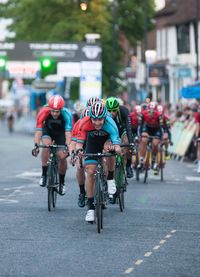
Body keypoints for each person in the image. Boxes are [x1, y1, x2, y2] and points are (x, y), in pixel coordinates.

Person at [76, 101, 121, 222]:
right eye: (94, 119)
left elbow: (117, 144)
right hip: (92, 142)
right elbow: (79, 143)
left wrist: (116, 150)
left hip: (107, 140)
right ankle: (90, 208)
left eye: (100, 120)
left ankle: (110, 179)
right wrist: (79, 150)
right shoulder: (85, 122)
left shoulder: (110, 122)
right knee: (90, 172)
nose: (96, 123)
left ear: (104, 117)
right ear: (90, 117)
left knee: (110, 151)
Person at [32, 95, 72, 195]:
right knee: (46, 146)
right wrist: (36, 146)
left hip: (61, 134)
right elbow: (38, 131)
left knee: (62, 156)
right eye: (52, 111)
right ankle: (44, 175)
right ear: (49, 108)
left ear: (61, 109)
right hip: (48, 132)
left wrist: (68, 146)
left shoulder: (66, 114)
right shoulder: (43, 112)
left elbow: (68, 133)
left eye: (57, 111)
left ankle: (62, 183)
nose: (54, 113)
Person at [106, 97, 133, 178]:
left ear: (118, 108)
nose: (111, 113)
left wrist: (131, 143)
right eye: (109, 110)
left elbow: (128, 128)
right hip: (111, 132)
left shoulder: (124, 111)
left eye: (114, 110)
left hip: (122, 129)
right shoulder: (104, 113)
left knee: (127, 143)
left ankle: (128, 166)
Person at [69, 108, 90, 207]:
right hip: (81, 144)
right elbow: (73, 142)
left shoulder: (99, 123)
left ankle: (104, 185)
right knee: (80, 166)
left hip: (95, 143)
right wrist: (72, 154)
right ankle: (82, 192)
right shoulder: (78, 124)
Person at [138, 101, 163, 175]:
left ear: (155, 111)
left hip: (156, 129)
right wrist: (139, 135)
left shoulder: (159, 115)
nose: (151, 113)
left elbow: (161, 128)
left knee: (155, 144)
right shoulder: (143, 114)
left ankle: (154, 158)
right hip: (147, 128)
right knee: (144, 140)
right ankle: (142, 159)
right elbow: (140, 126)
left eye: (153, 112)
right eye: (149, 111)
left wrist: (160, 138)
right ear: (147, 110)